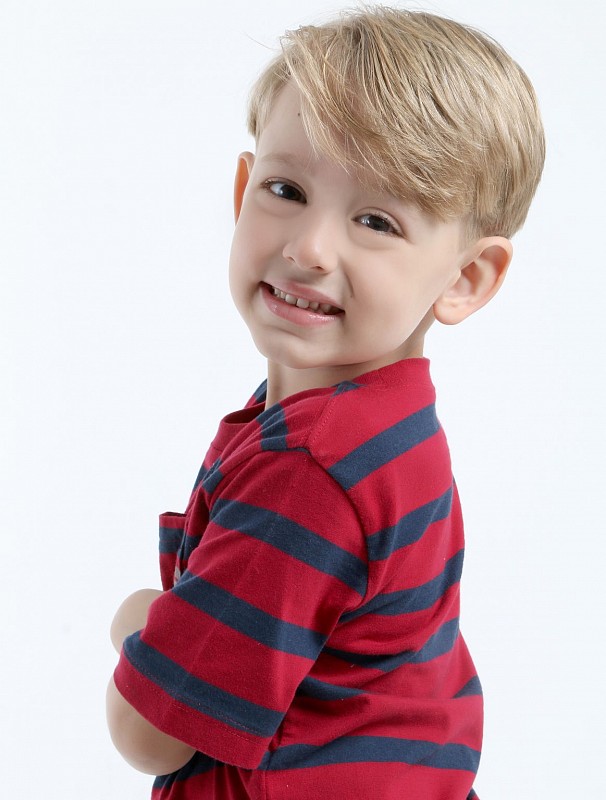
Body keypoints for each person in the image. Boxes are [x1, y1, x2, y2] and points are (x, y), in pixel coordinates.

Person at [106, 6, 545, 799]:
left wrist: (138, 616)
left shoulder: (309, 470)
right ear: (242, 191)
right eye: (286, 189)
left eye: (376, 220)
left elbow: (151, 734)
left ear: (464, 278)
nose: (308, 247)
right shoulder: (390, 425)